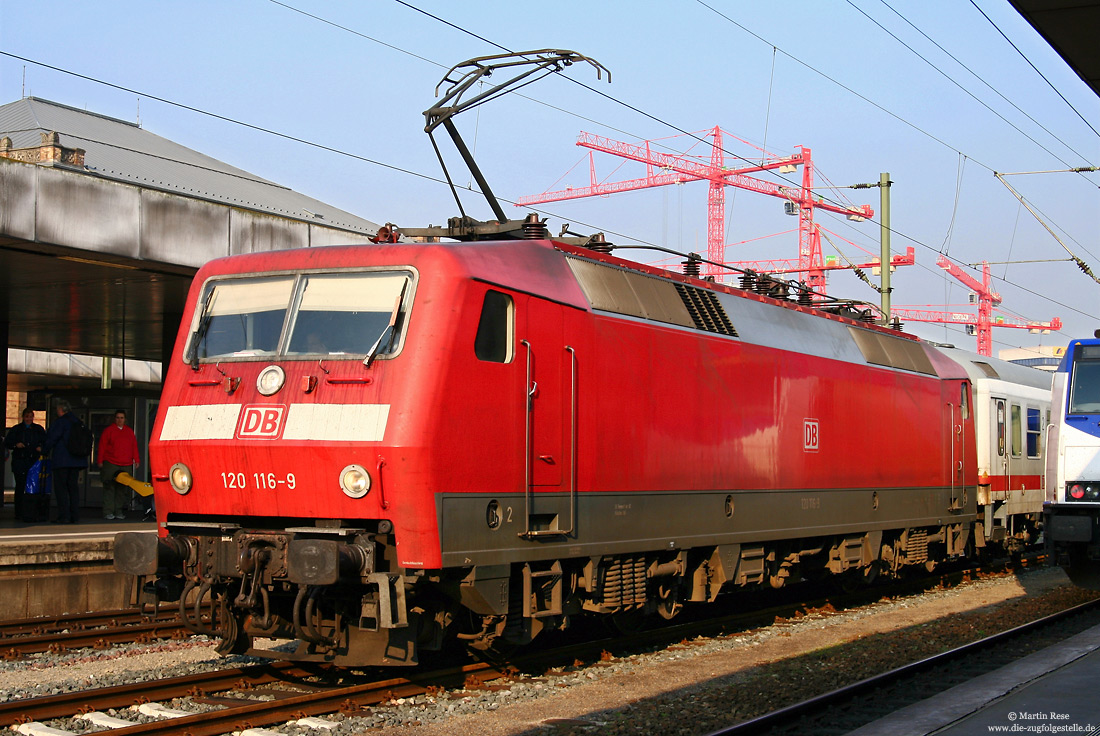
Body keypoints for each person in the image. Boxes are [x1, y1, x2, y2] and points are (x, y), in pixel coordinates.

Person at [42, 399, 88, 524]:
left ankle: (64, 516)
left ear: (61, 410)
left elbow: (52, 438)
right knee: (73, 488)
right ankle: (75, 515)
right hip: (77, 461)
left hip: (62, 461)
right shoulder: (78, 422)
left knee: (61, 489)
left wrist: (44, 450)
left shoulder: (60, 422)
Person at [97, 409, 140, 521]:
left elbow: (134, 446)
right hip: (111, 463)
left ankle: (118, 511)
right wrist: (100, 461)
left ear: (125, 419)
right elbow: (102, 446)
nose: (120, 420)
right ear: (114, 419)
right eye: (118, 418)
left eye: (122, 418)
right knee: (109, 487)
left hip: (126, 463)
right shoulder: (108, 431)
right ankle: (108, 512)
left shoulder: (129, 431)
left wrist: (137, 459)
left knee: (122, 489)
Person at [4, 408, 46, 522]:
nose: (29, 419)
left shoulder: (38, 429)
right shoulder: (17, 429)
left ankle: (32, 512)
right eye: (27, 417)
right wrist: (15, 445)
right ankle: (19, 512)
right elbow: (7, 442)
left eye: (31, 417)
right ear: (23, 417)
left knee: (33, 488)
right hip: (20, 461)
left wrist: (41, 448)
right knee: (20, 488)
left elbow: (45, 442)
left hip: (33, 462)